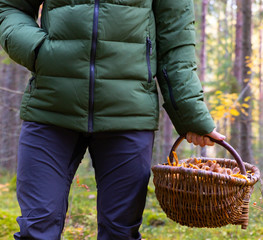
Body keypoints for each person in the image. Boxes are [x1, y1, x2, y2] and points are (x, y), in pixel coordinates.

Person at [0, 0, 225, 239]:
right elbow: (9, 7)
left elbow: (176, 43)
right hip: (50, 109)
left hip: (129, 116)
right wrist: (39, 50)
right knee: (37, 227)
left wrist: (191, 114)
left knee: (120, 232)